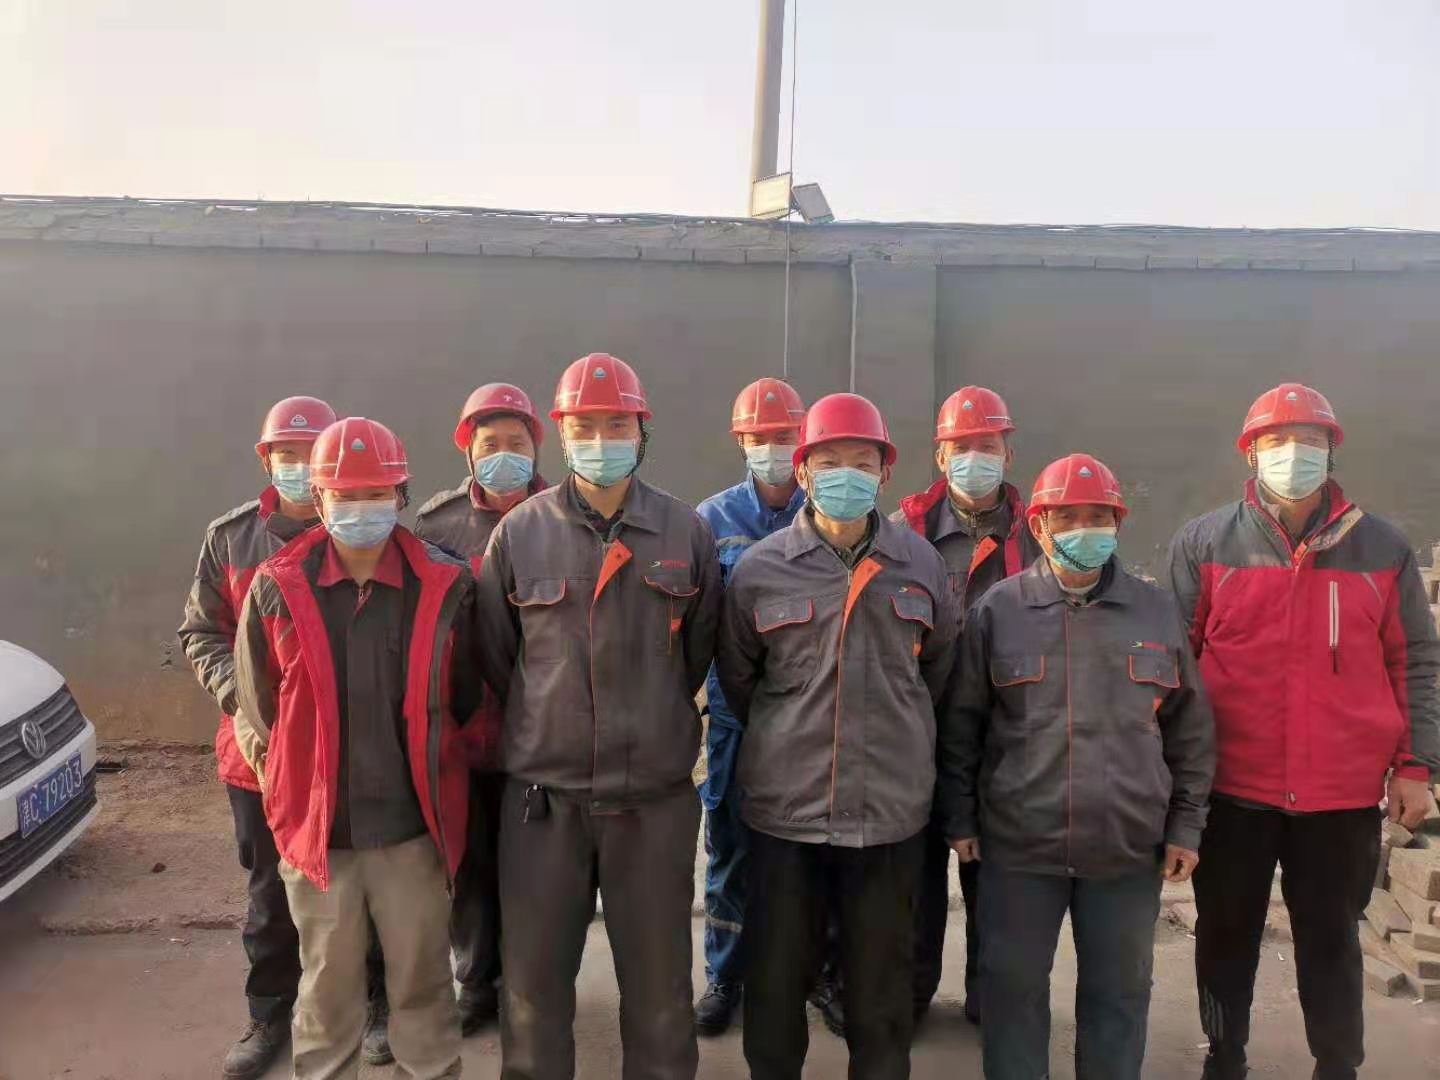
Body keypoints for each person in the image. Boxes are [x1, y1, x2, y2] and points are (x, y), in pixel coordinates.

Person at [1169, 383, 1440, 1080]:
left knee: (1332, 942)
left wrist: (1415, 766)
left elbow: (1413, 659)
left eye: (1310, 440)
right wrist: (1172, 781)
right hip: (1234, 790)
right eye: (1278, 441)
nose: (1295, 453)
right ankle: (1224, 1057)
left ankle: (1337, 1066)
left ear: (1331, 451)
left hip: (1340, 797)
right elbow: (1172, 668)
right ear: (1251, 453)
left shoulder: (1382, 548)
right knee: (1224, 938)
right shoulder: (1203, 543)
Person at [474, 352, 722, 1080]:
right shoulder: (519, 534)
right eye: (584, 426)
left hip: (653, 802)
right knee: (533, 988)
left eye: (617, 425)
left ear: (643, 432)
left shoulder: (684, 532)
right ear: (561, 434)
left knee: (660, 990)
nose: (601, 440)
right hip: (544, 802)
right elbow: (498, 658)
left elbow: (697, 656)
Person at [942, 452, 1214, 1080]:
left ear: (1118, 524)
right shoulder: (998, 612)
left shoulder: (1155, 612)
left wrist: (1186, 826)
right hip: (1020, 848)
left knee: (1119, 997)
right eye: (1067, 517)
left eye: (1098, 517)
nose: (1084, 529)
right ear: (1038, 526)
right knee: (1012, 994)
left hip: (1126, 847)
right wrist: (960, 818)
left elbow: (1190, 730)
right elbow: (962, 727)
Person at [716, 392, 962, 1080]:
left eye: (862, 461)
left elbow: (938, 676)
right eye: (829, 462)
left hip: (888, 818)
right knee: (775, 983)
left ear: (885, 472)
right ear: (803, 472)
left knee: (880, 992)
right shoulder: (761, 569)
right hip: (785, 816)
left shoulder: (920, 564)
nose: (846, 475)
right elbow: (740, 680)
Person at [232, 416, 481, 1080]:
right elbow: (259, 705)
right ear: (318, 499)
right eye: (344, 495)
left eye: (376, 494)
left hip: (414, 832)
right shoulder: (277, 587)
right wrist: (288, 779)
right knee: (326, 992)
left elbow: (465, 695)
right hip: (322, 837)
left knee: (424, 985)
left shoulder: (446, 586)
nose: (361, 508)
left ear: (401, 496)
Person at [177, 394, 363, 1080]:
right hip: (258, 754)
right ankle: (269, 1013)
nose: (301, 468)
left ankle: (371, 1003)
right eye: (288, 455)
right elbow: (202, 632)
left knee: (359, 877)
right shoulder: (231, 539)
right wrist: (249, 701)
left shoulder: (359, 530)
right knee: (270, 893)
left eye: (313, 456)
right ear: (268, 461)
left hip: (348, 749)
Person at [893, 384, 1041, 1026]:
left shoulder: (1040, 534)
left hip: (1007, 737)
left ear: (1008, 453)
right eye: (960, 446)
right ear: (939, 455)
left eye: (986, 445)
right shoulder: (904, 534)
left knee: (998, 883)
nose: (973, 457)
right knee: (913, 882)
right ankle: (910, 996)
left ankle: (991, 1001)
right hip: (917, 732)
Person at [415, 382, 548, 1036]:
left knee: (535, 869)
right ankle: (475, 982)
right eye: (489, 443)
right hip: (463, 731)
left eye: (516, 442)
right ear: (467, 449)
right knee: (468, 866)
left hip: (541, 729)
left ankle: (529, 985)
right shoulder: (435, 526)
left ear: (537, 448)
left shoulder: (560, 516)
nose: (503, 455)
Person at [692, 376, 808, 1037]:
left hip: (813, 715)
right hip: (736, 718)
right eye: (761, 436)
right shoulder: (710, 521)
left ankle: (817, 973)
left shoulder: (827, 511)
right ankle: (725, 974)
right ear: (741, 440)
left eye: (785, 435)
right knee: (731, 849)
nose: (773, 447)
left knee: (814, 851)